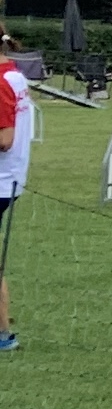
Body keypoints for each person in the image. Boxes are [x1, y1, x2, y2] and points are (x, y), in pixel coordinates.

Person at [0, 42, 31, 351]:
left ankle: (3, 335)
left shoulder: (1, 82)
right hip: (12, 179)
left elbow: (5, 139)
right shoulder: (15, 75)